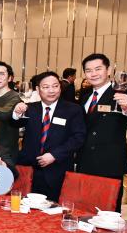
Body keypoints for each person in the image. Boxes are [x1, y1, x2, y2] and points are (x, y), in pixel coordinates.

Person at [77, 54, 127, 209]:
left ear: (108, 70)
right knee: (84, 208)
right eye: (88, 70)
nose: (93, 74)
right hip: (84, 160)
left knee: (109, 210)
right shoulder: (85, 95)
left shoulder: (123, 92)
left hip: (109, 161)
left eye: (98, 69)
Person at [13, 71, 86, 201]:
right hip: (30, 170)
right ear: (37, 89)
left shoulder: (73, 110)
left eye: (55, 86)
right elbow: (14, 123)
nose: (51, 90)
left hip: (57, 170)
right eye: (46, 87)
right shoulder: (29, 108)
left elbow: (78, 138)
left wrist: (54, 155)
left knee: (53, 208)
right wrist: (16, 113)